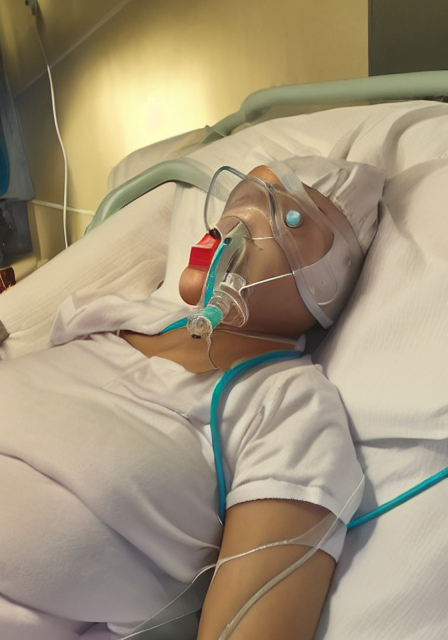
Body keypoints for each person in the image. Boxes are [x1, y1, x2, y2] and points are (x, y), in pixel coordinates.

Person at [0, 157, 384, 640]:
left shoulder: (289, 405)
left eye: (289, 218)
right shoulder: (109, 313)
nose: (235, 223)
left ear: (333, 280)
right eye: (239, 199)